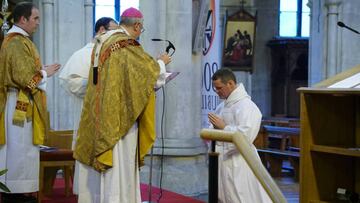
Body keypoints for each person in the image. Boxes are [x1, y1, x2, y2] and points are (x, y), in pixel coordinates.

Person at [73, 7, 172, 203]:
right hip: (120, 121)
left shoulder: (102, 42)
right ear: (136, 26)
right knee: (120, 167)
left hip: (101, 113)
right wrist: (161, 62)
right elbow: (149, 76)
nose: (139, 34)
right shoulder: (126, 44)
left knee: (106, 173)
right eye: (141, 29)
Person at [0, 2, 60, 202]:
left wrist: (41, 69)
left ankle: (21, 190)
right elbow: (23, 77)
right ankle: (18, 193)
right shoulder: (16, 42)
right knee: (20, 148)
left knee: (23, 148)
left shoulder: (19, 40)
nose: (38, 23)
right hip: (18, 102)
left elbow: (21, 70)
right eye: (35, 18)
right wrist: (45, 73)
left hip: (20, 98)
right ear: (23, 19)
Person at [58, 17, 118, 195]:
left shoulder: (115, 53)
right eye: (113, 31)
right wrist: (97, 84)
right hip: (89, 116)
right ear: (101, 30)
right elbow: (72, 83)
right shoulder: (82, 54)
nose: (116, 36)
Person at [208, 68, 272, 203]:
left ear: (230, 83)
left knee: (242, 196)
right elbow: (213, 130)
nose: (217, 91)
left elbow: (246, 135)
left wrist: (224, 127)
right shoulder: (222, 106)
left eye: (219, 88)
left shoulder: (247, 106)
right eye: (215, 88)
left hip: (240, 160)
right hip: (223, 159)